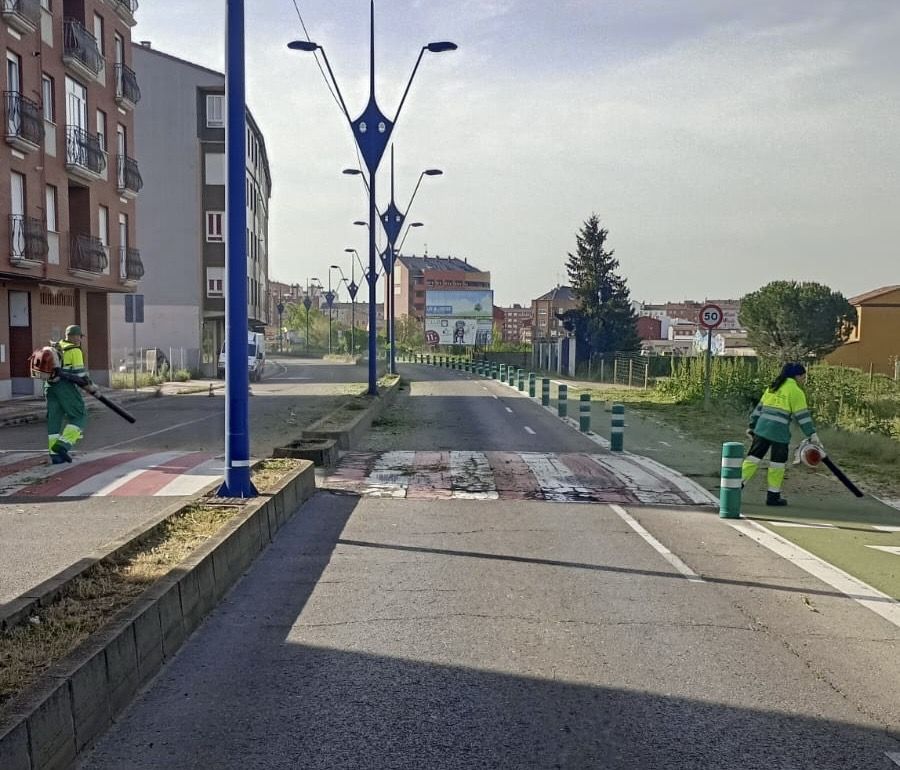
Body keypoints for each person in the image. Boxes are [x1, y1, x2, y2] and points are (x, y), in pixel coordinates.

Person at [741, 362, 821, 507]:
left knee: (752, 459)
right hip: (779, 433)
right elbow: (802, 417)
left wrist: (752, 426)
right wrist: (812, 434)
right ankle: (773, 496)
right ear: (797, 376)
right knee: (777, 465)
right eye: (803, 377)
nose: (804, 380)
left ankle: (735, 486)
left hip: (762, 429)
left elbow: (759, 408)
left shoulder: (773, 387)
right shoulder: (796, 391)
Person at [46, 325, 89, 464]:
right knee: (79, 415)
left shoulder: (56, 346)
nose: (80, 339)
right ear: (74, 336)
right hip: (65, 387)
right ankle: (63, 445)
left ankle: (55, 456)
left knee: (54, 420)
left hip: (49, 386)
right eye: (80, 336)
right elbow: (80, 375)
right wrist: (89, 385)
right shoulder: (74, 350)